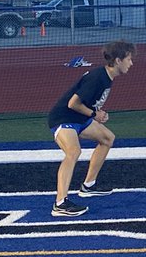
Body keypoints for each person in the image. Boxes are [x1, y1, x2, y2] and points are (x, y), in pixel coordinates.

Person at [46, 39, 135, 217]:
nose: (131, 63)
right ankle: (60, 203)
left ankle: (88, 185)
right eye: (129, 59)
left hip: (78, 118)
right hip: (63, 117)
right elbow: (73, 104)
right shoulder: (98, 78)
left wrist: (97, 112)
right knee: (73, 152)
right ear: (118, 60)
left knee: (107, 138)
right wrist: (94, 114)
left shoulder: (107, 77)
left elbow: (88, 103)